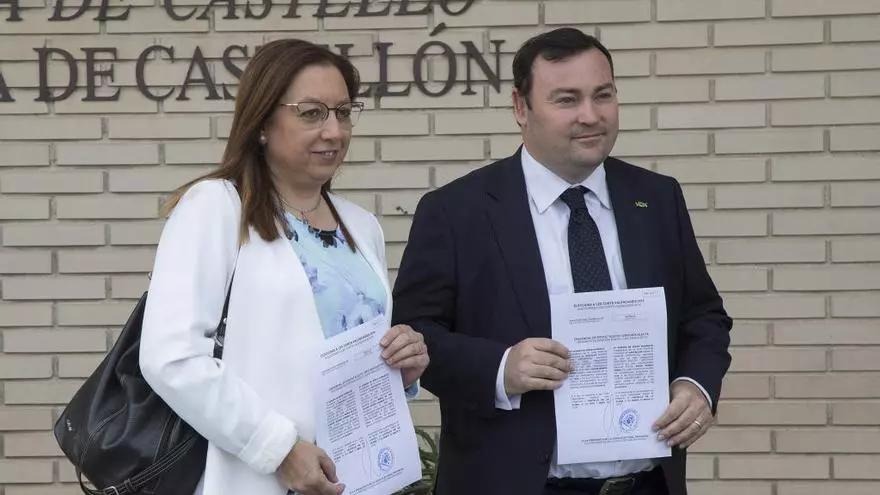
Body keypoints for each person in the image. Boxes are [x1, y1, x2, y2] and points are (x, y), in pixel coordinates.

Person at [391, 27, 732, 495]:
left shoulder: (656, 198)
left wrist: (696, 385)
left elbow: (704, 316)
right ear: (520, 107)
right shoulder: (455, 211)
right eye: (567, 100)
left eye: (603, 95)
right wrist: (500, 368)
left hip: (647, 484)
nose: (590, 116)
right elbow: (413, 335)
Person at [139, 39, 429, 495]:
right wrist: (279, 448)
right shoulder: (216, 207)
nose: (334, 131)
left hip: (357, 478)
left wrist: (401, 367)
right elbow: (171, 358)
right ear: (261, 123)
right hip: (258, 477)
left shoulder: (361, 226)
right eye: (312, 113)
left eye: (343, 112)